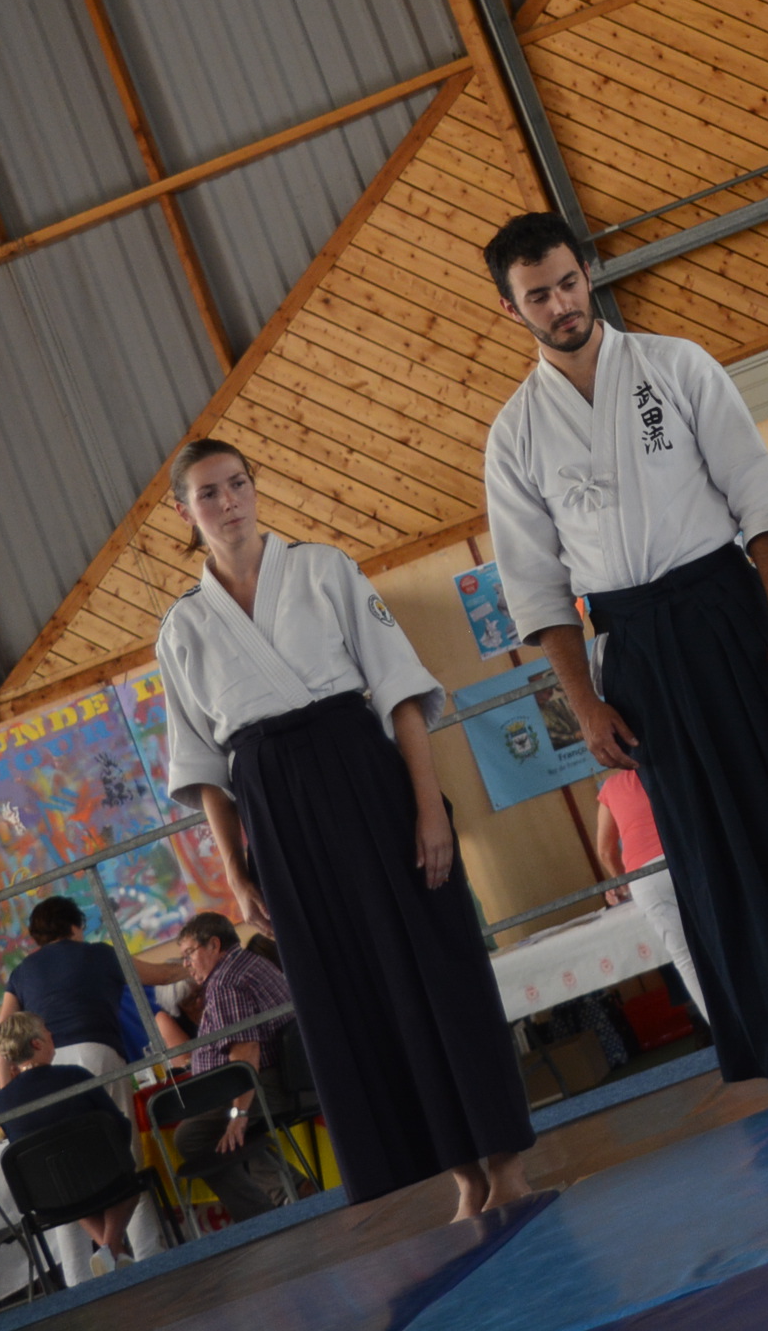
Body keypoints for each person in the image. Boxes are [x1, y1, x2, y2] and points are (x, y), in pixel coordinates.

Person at [480, 212, 768, 1098]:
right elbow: (536, 589)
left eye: (568, 283)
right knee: (709, 849)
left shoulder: (676, 365)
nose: (561, 304)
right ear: (513, 310)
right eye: (538, 296)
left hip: (731, 612)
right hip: (634, 649)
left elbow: (756, 493)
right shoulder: (515, 435)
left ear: (587, 274)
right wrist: (585, 705)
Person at [156, 444, 536, 1221]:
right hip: (273, 811)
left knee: (436, 967)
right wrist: (237, 871)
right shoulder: (184, 627)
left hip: (364, 777)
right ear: (184, 511)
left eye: (238, 484)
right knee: (347, 995)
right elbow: (205, 771)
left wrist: (429, 808)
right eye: (209, 493)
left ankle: (505, 1163)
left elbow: (400, 691)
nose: (229, 502)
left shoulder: (323, 569)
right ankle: (459, 1176)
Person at [0, 1010, 169, 1274]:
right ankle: (111, 1249)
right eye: (46, 1030)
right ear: (36, 1043)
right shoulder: (75, 1076)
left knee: (67, 1184)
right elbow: (119, 1125)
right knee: (125, 1179)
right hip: (104, 1180)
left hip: (49, 1199)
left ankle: (110, 1253)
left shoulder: (4, 1100)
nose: (51, 1034)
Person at [0, 896, 189, 1107]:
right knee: (118, 1125)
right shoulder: (100, 954)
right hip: (98, 1052)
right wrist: (195, 963)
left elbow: (0, 1038)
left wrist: (6, 1093)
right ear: (74, 926)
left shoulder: (20, 973)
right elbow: (163, 976)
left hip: (49, 1063)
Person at [162, 912, 296, 1225]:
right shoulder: (250, 963)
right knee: (221, 1129)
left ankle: (260, 1217)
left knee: (190, 1136)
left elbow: (246, 1052)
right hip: (282, 1079)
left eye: (189, 954)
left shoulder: (225, 982)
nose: (186, 965)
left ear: (214, 945)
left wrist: (239, 1114)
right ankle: (289, 1187)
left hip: (268, 1084)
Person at [589, 767, 704, 1020]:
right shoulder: (669, 766)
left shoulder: (612, 786)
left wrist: (624, 884)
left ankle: (723, 1029)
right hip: (690, 859)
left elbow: (606, 851)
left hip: (646, 877)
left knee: (685, 959)